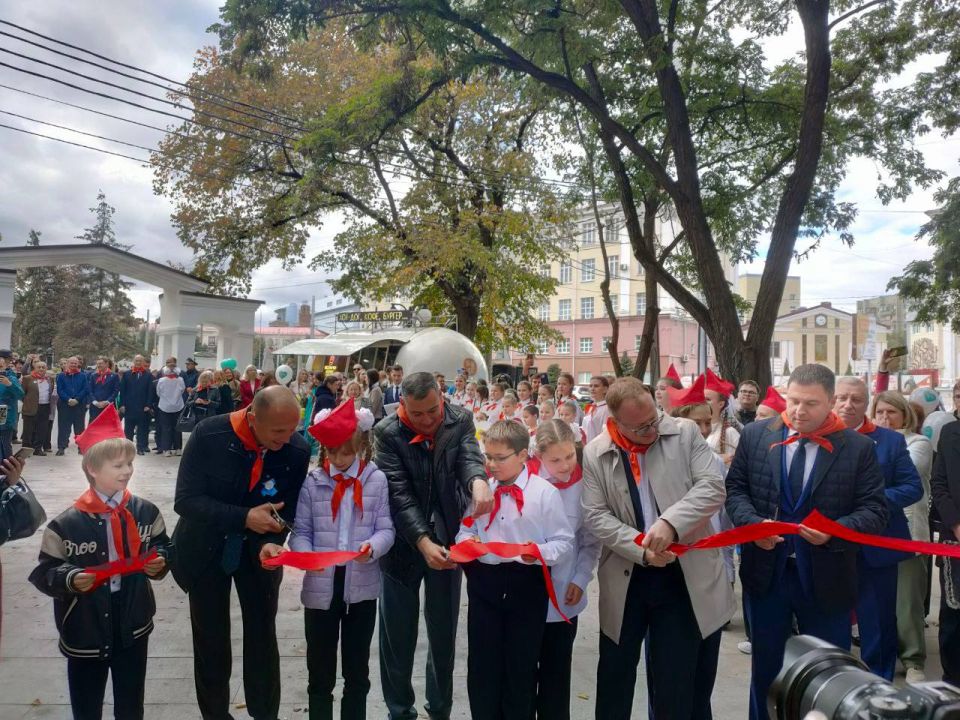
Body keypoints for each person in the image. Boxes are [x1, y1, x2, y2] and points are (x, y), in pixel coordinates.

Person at [725, 364, 888, 720]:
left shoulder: (857, 447)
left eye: (811, 404)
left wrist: (836, 528)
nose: (799, 411)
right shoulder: (756, 436)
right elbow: (736, 491)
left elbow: (875, 510)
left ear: (831, 401)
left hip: (827, 576)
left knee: (826, 673)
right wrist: (754, 525)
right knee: (766, 667)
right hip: (767, 574)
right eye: (793, 400)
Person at [581, 376, 733, 720]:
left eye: (654, 418)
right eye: (641, 427)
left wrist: (670, 523)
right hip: (626, 576)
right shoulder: (596, 452)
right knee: (615, 677)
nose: (652, 429)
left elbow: (712, 487)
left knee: (674, 681)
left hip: (681, 575)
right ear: (616, 422)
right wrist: (641, 548)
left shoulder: (684, 433)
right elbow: (595, 515)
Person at [172, 386, 310, 720]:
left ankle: (265, 713)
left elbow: (286, 510)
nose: (286, 439)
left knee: (263, 638)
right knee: (211, 642)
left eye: (292, 430)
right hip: (204, 549)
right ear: (252, 416)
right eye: (278, 431)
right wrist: (244, 516)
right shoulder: (210, 434)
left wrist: (273, 541)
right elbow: (186, 500)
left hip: (260, 555)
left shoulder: (297, 450)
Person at [29, 405, 171, 720]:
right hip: (84, 623)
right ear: (92, 469)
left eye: (130, 463)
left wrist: (160, 561)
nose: (127, 471)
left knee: (131, 702)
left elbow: (164, 546)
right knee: (86, 704)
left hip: (133, 618)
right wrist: (69, 578)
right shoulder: (66, 524)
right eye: (118, 464)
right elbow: (43, 572)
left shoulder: (145, 512)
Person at [262, 402, 394, 720]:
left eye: (346, 453)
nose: (338, 460)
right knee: (320, 670)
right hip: (320, 589)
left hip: (360, 589)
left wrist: (372, 547)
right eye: (332, 453)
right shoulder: (313, 482)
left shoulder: (376, 481)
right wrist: (307, 555)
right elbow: (301, 531)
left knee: (357, 670)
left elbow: (387, 529)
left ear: (361, 447)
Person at [373, 372, 492, 720]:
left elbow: (469, 457)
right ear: (403, 407)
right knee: (397, 636)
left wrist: (478, 481)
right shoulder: (386, 433)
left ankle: (440, 708)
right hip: (401, 546)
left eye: (432, 411)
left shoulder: (459, 420)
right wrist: (421, 540)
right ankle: (400, 709)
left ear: (442, 398)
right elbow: (398, 495)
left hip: (447, 541)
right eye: (417, 414)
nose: (427, 421)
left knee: (443, 633)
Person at [455, 420, 573, 720]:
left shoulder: (544, 493)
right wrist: (469, 543)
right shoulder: (482, 490)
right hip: (485, 584)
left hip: (526, 584)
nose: (491, 465)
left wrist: (538, 553)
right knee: (483, 665)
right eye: (488, 457)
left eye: (500, 458)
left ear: (522, 456)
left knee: (520, 667)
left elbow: (563, 542)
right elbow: (464, 529)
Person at [834, 376, 922, 680]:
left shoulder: (890, 441)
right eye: (842, 398)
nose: (848, 405)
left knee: (878, 621)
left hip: (878, 546)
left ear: (865, 403)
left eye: (856, 399)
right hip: (829, 546)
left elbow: (912, 488)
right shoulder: (815, 437)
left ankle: (878, 684)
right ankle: (836, 681)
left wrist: (873, 500)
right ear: (832, 400)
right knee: (831, 621)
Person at [529, 420, 600, 720]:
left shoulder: (585, 486)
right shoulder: (525, 483)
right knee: (521, 672)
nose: (565, 465)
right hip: (525, 595)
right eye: (555, 460)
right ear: (539, 457)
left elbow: (590, 540)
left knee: (557, 676)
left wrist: (582, 578)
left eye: (570, 456)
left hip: (563, 596)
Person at [872, 390, 933, 682]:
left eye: (891, 412)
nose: (884, 418)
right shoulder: (867, 441)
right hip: (874, 532)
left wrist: (866, 496)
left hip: (908, 532)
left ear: (904, 414)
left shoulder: (918, 442)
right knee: (878, 601)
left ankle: (913, 661)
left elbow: (909, 474)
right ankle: (883, 652)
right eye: (880, 412)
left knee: (907, 601)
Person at [119, 355, 154, 456]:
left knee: (142, 429)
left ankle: (140, 447)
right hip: (129, 407)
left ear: (143, 362)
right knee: (128, 429)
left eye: (140, 361)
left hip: (142, 407)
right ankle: (128, 448)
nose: (138, 363)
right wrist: (122, 405)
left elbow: (150, 392)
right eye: (136, 361)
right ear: (133, 362)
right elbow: (122, 391)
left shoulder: (148, 375)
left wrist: (148, 405)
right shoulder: (127, 374)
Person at [57, 357, 90, 456]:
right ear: (67, 363)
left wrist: (77, 399)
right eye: (71, 363)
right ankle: (61, 447)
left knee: (79, 428)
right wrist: (68, 399)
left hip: (79, 405)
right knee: (63, 427)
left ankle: (81, 447)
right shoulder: (61, 376)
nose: (73, 365)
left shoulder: (83, 376)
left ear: (78, 364)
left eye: (75, 363)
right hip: (65, 405)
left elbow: (85, 389)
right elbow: (60, 389)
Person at [21, 360, 51, 456]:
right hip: (31, 407)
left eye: (43, 367)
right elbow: (22, 393)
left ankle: (38, 448)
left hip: (45, 407)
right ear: (35, 368)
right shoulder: (27, 378)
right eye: (39, 367)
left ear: (46, 369)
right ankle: (26, 451)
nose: (41, 369)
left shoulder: (49, 379)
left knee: (42, 429)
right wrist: (28, 402)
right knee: (28, 431)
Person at [156, 366, 186, 458]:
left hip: (164, 406)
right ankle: (178, 449)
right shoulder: (180, 380)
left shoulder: (161, 380)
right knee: (177, 428)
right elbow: (182, 390)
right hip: (178, 406)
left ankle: (166, 449)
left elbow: (158, 393)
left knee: (166, 428)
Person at [583, 376, 610, 443]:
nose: (592, 389)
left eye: (596, 386)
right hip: (587, 447)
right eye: (590, 386)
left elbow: (606, 433)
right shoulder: (590, 407)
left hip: (600, 448)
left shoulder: (607, 409)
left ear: (605, 389)